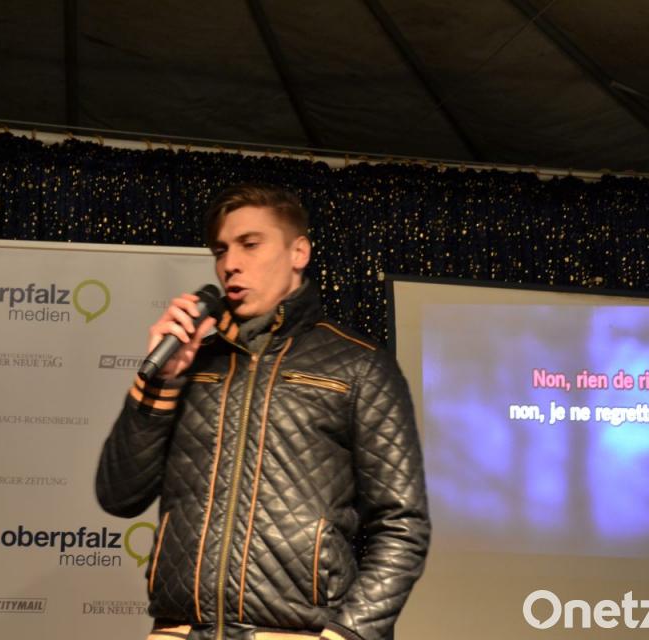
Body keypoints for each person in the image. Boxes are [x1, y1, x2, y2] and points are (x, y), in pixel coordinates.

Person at [96, 184, 430, 640]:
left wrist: (347, 635)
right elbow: (118, 496)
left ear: (299, 252)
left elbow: (402, 524)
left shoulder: (360, 365)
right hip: (180, 631)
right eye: (221, 250)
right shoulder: (191, 364)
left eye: (250, 244)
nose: (230, 264)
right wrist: (162, 380)